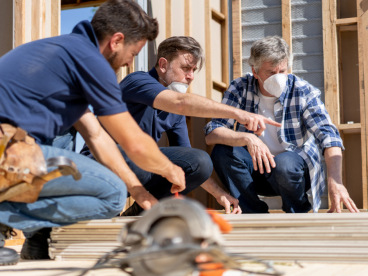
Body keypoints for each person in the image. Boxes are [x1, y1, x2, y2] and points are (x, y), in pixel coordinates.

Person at [0, 0, 186, 266]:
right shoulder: (89, 60)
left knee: (105, 183)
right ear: (116, 41)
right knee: (111, 195)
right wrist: (169, 168)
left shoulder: (66, 54)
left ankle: (34, 235)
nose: (128, 62)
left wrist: (140, 192)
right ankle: (4, 217)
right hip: (7, 150)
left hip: (8, 150)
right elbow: (132, 142)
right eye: (133, 53)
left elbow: (97, 136)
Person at [82, 36, 281, 216]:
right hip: (98, 163)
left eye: (194, 70)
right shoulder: (138, 82)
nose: (191, 76)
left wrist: (221, 195)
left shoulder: (174, 113)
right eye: (186, 68)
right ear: (162, 65)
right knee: (142, 156)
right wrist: (239, 114)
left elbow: (189, 160)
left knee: (199, 162)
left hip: (135, 167)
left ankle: (142, 212)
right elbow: (179, 101)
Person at [205, 36, 359, 214]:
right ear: (255, 71)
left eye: (282, 71)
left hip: (292, 171)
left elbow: (328, 135)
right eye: (271, 73)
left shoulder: (302, 90)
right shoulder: (240, 88)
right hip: (255, 170)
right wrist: (247, 138)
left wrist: (335, 181)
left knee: (284, 164)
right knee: (222, 152)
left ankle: (298, 213)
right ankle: (253, 214)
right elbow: (212, 133)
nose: (278, 78)